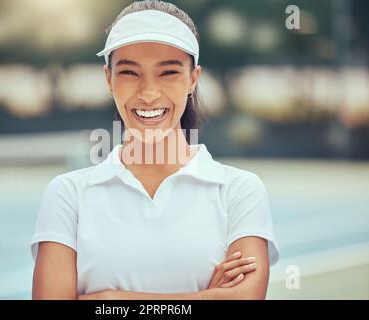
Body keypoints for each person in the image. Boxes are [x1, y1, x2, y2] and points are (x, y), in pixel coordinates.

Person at [31, 0, 279, 300]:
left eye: (168, 72)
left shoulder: (240, 191)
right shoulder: (67, 194)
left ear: (193, 79)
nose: (148, 93)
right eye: (130, 73)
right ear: (108, 79)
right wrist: (208, 297)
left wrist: (112, 300)